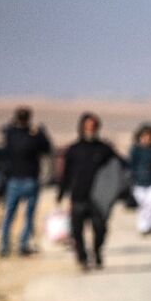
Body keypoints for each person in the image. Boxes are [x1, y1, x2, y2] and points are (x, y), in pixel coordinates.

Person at [57, 113, 119, 271]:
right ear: (82, 127)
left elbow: (119, 168)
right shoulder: (73, 149)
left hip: (99, 199)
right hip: (78, 196)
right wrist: (61, 193)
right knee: (77, 230)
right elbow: (66, 174)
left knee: (100, 228)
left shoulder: (105, 149)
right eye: (88, 126)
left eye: (93, 126)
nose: (91, 129)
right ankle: (82, 259)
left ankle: (97, 251)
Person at [0, 106, 51, 257]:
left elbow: (5, 137)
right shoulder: (33, 135)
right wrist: (40, 133)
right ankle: (21, 245)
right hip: (29, 179)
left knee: (9, 214)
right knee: (28, 215)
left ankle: (4, 246)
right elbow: (46, 148)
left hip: (15, 179)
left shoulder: (12, 134)